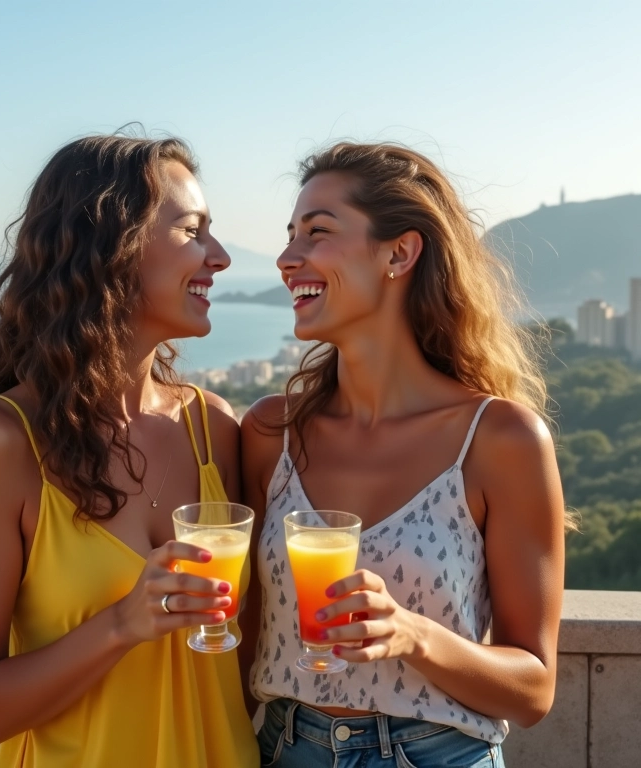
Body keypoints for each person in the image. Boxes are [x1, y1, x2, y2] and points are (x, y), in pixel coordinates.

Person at [0, 133, 259, 768]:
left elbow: (244, 655)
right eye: (193, 231)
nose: (219, 256)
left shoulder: (212, 428)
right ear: (114, 246)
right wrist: (120, 625)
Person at [241, 142, 566, 767]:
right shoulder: (269, 434)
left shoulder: (500, 440)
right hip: (282, 749)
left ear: (399, 252)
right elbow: (241, 647)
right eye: (290, 236)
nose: (286, 258)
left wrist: (413, 635)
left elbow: (533, 689)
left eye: (317, 232)